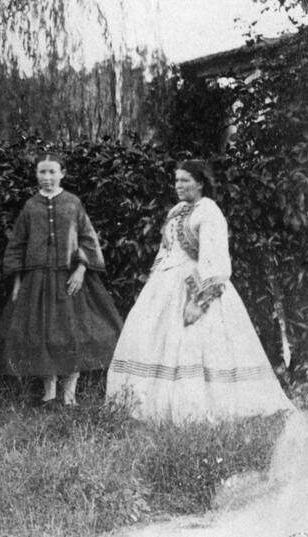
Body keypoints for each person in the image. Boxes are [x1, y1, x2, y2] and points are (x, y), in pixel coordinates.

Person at [106, 159, 295, 422]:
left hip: (198, 287)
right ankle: (145, 404)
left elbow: (214, 259)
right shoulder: (176, 211)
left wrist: (199, 301)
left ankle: (196, 408)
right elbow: (165, 252)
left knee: (195, 345)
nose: (179, 185)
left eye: (185, 180)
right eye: (176, 180)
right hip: (165, 286)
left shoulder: (209, 211)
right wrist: (153, 286)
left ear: (200, 182)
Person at [0, 153, 123, 407]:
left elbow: (87, 239)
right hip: (36, 281)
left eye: (52, 172)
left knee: (72, 335)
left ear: (62, 174)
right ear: (36, 175)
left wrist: (81, 269)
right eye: (42, 172)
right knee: (43, 335)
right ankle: (49, 393)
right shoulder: (30, 206)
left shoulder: (73, 203)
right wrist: (17, 282)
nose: (47, 178)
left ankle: (69, 395)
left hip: (69, 280)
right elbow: (17, 244)